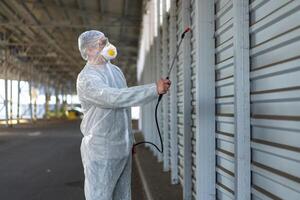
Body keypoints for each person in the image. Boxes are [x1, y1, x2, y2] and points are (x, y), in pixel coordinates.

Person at [76, 30, 171, 200]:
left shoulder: (116, 72)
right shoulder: (86, 78)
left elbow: (124, 108)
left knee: (123, 195)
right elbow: (114, 98)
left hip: (122, 147)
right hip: (101, 150)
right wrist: (152, 90)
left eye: (106, 41)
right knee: (100, 196)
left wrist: (130, 140)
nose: (108, 45)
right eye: (101, 43)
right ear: (88, 50)